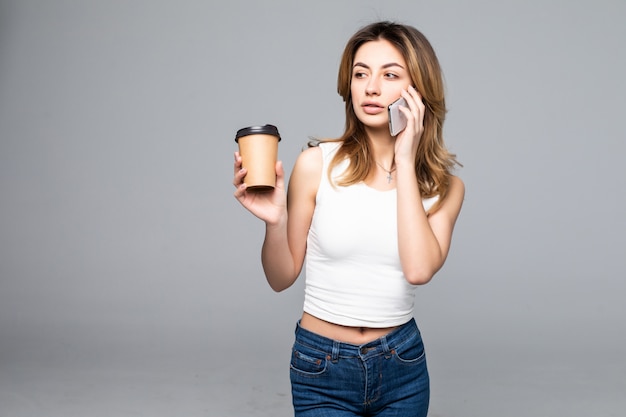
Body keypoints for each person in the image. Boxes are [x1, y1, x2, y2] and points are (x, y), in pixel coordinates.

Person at [233, 20, 464, 417]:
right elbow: (280, 277)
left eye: (390, 74)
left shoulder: (445, 187)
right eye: (361, 73)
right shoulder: (316, 164)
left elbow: (419, 269)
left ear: (419, 92)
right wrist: (274, 222)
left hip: (402, 367)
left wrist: (405, 160)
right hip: (321, 366)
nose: (371, 87)